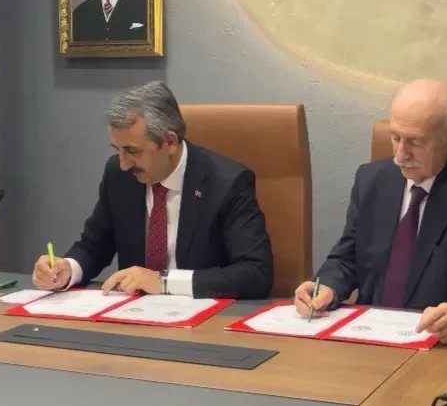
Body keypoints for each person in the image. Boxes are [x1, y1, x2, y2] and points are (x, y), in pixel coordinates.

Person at [294, 79, 447, 344]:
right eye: (395, 137)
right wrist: (326, 287)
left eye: (415, 141)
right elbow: (348, 258)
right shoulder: (372, 180)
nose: (401, 155)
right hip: (366, 337)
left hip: (435, 344)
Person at [32, 81, 274, 299]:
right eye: (117, 150)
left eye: (133, 151)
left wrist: (163, 282)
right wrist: (68, 269)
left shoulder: (227, 182)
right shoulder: (118, 175)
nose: (124, 164)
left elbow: (255, 273)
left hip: (203, 318)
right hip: (134, 316)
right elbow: (94, 245)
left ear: (170, 142)